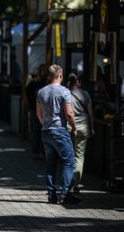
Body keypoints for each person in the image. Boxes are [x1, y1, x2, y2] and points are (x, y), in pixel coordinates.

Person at [36, 64, 80, 205]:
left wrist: (45, 124)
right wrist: (73, 127)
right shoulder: (64, 91)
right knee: (69, 162)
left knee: (51, 164)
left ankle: (51, 194)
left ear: (49, 76)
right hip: (59, 131)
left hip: (46, 131)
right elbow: (68, 113)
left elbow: (38, 113)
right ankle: (65, 193)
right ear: (60, 75)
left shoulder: (41, 92)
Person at [66, 72, 95, 194]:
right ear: (77, 82)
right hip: (83, 126)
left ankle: (68, 181)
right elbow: (90, 113)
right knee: (80, 156)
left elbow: (66, 112)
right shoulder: (85, 94)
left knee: (69, 155)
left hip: (69, 127)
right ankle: (76, 184)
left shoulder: (66, 94)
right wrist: (92, 127)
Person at [25, 64, 46, 159]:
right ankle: (42, 152)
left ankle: (35, 151)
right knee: (42, 132)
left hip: (33, 109)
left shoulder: (29, 84)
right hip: (41, 110)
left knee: (35, 131)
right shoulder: (40, 85)